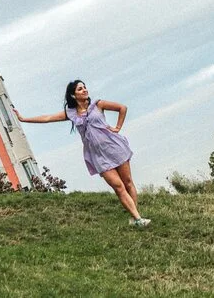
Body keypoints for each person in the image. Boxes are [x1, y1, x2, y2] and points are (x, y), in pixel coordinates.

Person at [13, 80, 151, 227]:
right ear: (73, 95)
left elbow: (122, 108)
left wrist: (117, 127)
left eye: (84, 87)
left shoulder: (98, 105)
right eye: (80, 89)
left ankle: (135, 217)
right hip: (98, 156)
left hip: (115, 148)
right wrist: (23, 119)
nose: (84, 90)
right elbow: (47, 118)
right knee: (118, 186)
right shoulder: (71, 114)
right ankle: (137, 219)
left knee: (127, 182)